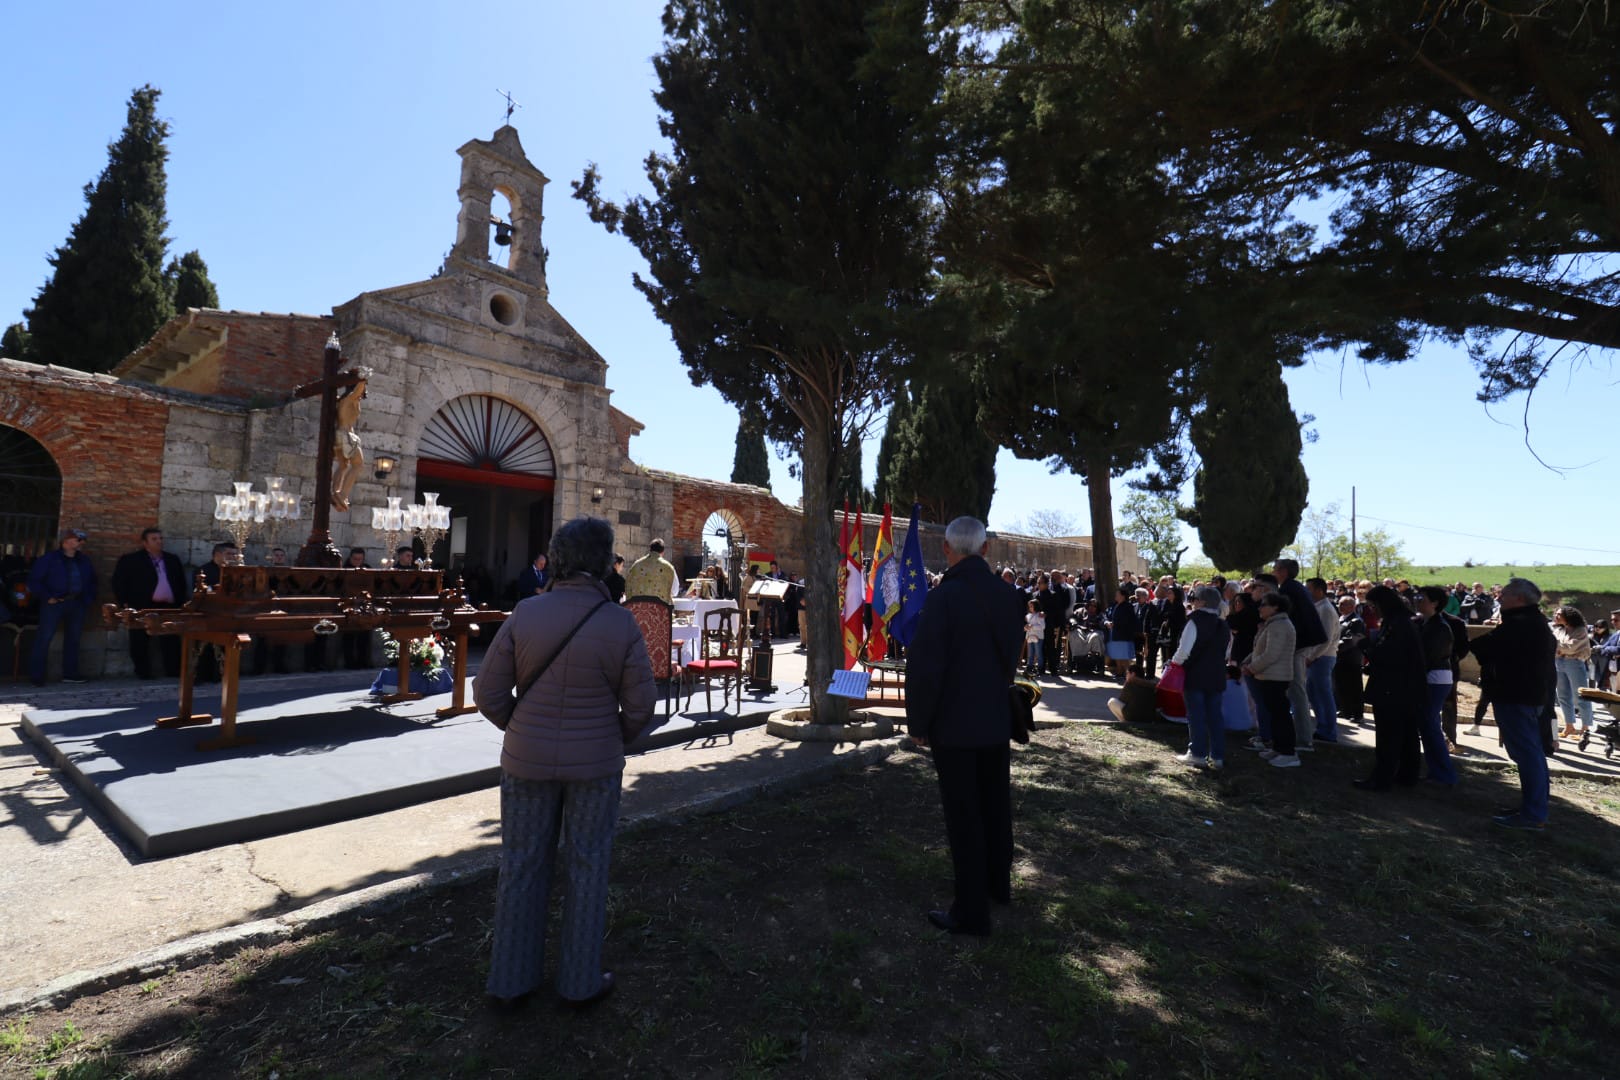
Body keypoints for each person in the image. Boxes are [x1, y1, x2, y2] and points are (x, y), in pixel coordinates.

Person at [475, 516, 656, 1007]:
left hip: (526, 761)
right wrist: (607, 737)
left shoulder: (525, 615)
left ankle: (511, 981)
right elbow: (642, 706)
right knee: (588, 866)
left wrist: (521, 727)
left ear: (555, 560)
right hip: (595, 767)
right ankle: (579, 983)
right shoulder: (620, 623)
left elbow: (487, 691)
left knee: (520, 866)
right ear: (603, 563)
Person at [905, 516, 1024, 937]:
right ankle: (997, 884)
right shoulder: (1008, 596)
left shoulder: (944, 598)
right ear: (986, 550)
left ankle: (971, 911)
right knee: (994, 806)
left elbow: (925, 668)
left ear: (947, 550)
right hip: (993, 717)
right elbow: (1010, 657)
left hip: (954, 725)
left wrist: (918, 721)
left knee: (964, 816)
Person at [1467, 578, 1556, 829]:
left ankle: (1533, 814)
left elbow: (1484, 648)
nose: (1499, 598)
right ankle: (1533, 808)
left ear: (1518, 598)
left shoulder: (1522, 624)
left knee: (1529, 756)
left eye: (1504, 594)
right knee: (1530, 754)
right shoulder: (1532, 622)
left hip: (1518, 697)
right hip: (1525, 696)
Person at [1354, 586, 1425, 791]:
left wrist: (1364, 645)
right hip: (1405, 689)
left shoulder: (1396, 624)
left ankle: (1381, 779)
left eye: (1372, 606)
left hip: (1393, 689)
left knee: (1389, 737)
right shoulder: (1403, 622)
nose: (1371, 610)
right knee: (1406, 735)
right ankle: (1406, 775)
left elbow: (1389, 656)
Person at [112, 527, 190, 679]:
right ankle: (143, 672)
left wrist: (180, 603)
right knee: (139, 640)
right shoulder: (131, 560)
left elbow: (180, 582)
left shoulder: (172, 559)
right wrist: (124, 602)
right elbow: (119, 582)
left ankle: (173, 671)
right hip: (142, 606)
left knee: (170, 639)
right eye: (154, 539)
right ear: (145, 543)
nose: (159, 541)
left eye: (160, 538)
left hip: (168, 607)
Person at [1168, 586, 1231, 769]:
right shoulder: (1223, 624)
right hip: (1217, 675)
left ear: (1202, 602)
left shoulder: (1194, 621)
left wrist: (1174, 664)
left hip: (1195, 674)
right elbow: (1226, 652)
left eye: (1194, 598)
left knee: (1196, 716)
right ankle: (1218, 756)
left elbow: (1183, 651)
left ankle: (1197, 753)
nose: (1192, 601)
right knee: (1215, 717)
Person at [27, 528, 96, 686]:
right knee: (44, 638)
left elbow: (92, 581)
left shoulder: (84, 560)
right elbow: (34, 581)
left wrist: (87, 599)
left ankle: (70, 674)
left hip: (77, 604)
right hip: (54, 604)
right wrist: (47, 597)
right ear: (65, 542)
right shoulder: (49, 559)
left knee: (74, 639)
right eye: (78, 540)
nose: (82, 543)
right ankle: (37, 676)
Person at [1273, 558, 1327, 754]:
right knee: (1296, 691)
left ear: (1284, 571)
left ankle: (1304, 740)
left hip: (1298, 645)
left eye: (1275, 569)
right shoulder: (1294, 587)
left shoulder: (1288, 590)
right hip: (1301, 643)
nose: (1273, 572)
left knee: (1297, 691)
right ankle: (1300, 736)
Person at [1241, 592, 1300, 768]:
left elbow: (1271, 654)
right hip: (1268, 675)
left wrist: (1251, 668)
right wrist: (1248, 660)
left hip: (1276, 677)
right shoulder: (1272, 624)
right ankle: (1278, 748)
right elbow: (1260, 649)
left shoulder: (1280, 625)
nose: (1260, 608)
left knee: (1281, 715)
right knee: (1275, 715)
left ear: (1275, 607)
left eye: (1264, 604)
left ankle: (1288, 753)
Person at [1413, 587, 1459, 785]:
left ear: (1434, 603)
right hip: (1430, 677)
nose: (1417, 600)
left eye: (1421, 598)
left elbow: (1429, 656)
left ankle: (1444, 774)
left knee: (1430, 726)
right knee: (1427, 726)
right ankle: (1437, 771)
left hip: (1435, 678)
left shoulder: (1439, 627)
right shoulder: (1425, 623)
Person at [329, 365, 372, 511]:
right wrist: (363, 378)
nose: (365, 391)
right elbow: (358, 389)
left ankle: (335, 491)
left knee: (343, 465)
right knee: (358, 465)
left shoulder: (341, 400)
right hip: (347, 435)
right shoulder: (351, 398)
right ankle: (342, 495)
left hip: (338, 435)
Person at [1305, 578, 1341, 743]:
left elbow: (1325, 639)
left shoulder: (1325, 609)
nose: (1307, 591)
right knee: (1314, 694)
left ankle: (1329, 731)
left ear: (1319, 590)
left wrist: (1312, 657)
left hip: (1323, 657)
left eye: (1309, 588)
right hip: (1318, 657)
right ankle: (1323, 728)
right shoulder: (1318, 607)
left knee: (1323, 694)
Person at [1551, 605, 1596, 739]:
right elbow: (1556, 646)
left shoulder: (1580, 630)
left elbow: (1571, 647)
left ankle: (1585, 727)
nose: (1556, 616)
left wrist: (1558, 647)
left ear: (1568, 616)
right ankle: (1569, 726)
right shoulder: (1558, 630)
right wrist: (1560, 648)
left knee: (1581, 696)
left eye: (1559, 614)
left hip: (1574, 663)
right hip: (1559, 662)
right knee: (1563, 696)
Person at [1334, 596, 1368, 721]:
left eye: (1343, 604)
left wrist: (1335, 647)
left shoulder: (1356, 621)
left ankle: (1357, 714)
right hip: (1340, 658)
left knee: (1354, 686)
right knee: (1342, 685)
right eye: (1339, 604)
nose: (1340, 606)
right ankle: (1345, 710)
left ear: (1352, 606)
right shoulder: (1341, 619)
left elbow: (1351, 640)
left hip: (1351, 659)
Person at [341, 548, 372, 669]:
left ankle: (363, 661)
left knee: (364, 636)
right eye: (355, 559)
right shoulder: (345, 569)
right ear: (350, 558)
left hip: (364, 605)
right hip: (349, 604)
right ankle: (349, 663)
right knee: (349, 636)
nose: (357, 561)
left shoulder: (367, 568)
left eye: (360, 559)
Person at [1103, 586, 1140, 682]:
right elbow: (1109, 616)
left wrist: (1116, 624)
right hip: (1114, 633)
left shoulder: (1128, 606)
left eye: (1118, 594)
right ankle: (1119, 672)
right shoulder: (1115, 605)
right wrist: (1108, 622)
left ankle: (1128, 674)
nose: (1116, 596)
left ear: (1123, 596)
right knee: (1117, 655)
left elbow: (1129, 621)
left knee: (1124, 656)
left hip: (1124, 635)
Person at [1023, 598, 1045, 677]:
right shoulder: (1028, 615)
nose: (1030, 608)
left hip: (1038, 637)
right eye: (1029, 606)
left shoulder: (1039, 615)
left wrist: (1032, 626)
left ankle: (1040, 668)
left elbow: (1042, 626)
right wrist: (1026, 627)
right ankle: (1029, 667)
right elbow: (1026, 625)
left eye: (1031, 606)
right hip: (1030, 636)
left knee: (1038, 653)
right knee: (1030, 653)